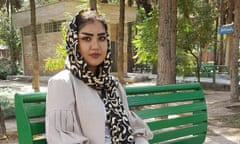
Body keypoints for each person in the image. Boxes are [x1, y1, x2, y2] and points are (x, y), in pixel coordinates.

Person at [45, 9, 153, 144]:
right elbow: (61, 138)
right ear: (75, 44)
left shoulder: (113, 85)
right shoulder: (63, 83)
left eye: (101, 38)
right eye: (86, 38)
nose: (95, 46)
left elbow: (132, 130)